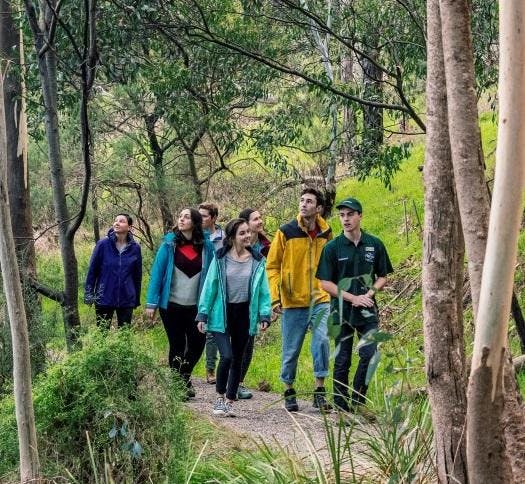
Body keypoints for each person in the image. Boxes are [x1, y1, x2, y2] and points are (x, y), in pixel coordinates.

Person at [316, 197, 393, 416]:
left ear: (360, 215)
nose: (346, 219)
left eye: (350, 214)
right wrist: (353, 298)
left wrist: (370, 293)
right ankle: (341, 406)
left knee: (370, 355)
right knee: (342, 359)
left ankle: (358, 401)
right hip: (342, 311)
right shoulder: (332, 248)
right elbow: (325, 283)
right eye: (342, 215)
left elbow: (383, 276)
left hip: (368, 311)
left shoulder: (374, 244)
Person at [266, 187, 333, 412]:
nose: (304, 204)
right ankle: (288, 390)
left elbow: (332, 264)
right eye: (302, 200)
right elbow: (272, 266)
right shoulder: (286, 232)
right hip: (292, 300)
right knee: (291, 349)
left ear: (319, 208)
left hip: (320, 297)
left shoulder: (327, 233)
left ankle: (319, 391)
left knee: (322, 340)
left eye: (309, 201)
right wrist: (276, 298)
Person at [197, 218, 272, 417]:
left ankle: (230, 400)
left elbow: (264, 291)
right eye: (242, 233)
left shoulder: (257, 260)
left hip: (245, 313)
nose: (247, 236)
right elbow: (210, 287)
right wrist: (202, 313)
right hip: (222, 313)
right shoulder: (220, 258)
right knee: (227, 356)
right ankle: (219, 397)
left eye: (248, 232)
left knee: (238, 358)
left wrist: (264, 314)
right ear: (232, 237)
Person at [145, 208, 215, 398]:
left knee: (197, 344)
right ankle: (179, 384)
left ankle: (184, 376)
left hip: (196, 307)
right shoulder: (169, 245)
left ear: (195, 222)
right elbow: (157, 274)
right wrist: (151, 303)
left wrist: (211, 304)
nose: (181, 219)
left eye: (186, 217)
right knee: (176, 345)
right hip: (171, 306)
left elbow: (212, 277)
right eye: (180, 216)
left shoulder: (207, 247)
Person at [235, 208, 272, 400]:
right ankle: (227, 380)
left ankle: (238, 383)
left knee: (248, 343)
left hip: (253, 302)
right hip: (234, 302)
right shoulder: (232, 247)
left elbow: (270, 276)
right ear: (245, 223)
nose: (260, 221)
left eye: (260, 217)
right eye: (255, 219)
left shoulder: (267, 246)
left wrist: (268, 306)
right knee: (234, 344)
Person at [84, 213, 142, 328]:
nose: (117, 223)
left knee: (124, 335)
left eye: (121, 221)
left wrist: (136, 299)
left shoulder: (135, 248)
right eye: (115, 220)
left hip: (126, 298)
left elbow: (137, 275)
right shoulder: (102, 245)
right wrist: (89, 294)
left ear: (129, 227)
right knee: (101, 335)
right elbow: (92, 271)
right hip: (104, 297)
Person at [199, 202, 224, 385]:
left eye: (204, 216)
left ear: (213, 218)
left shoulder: (224, 237)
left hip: (219, 288)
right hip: (198, 286)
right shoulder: (196, 237)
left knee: (211, 331)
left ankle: (210, 369)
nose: (201, 219)